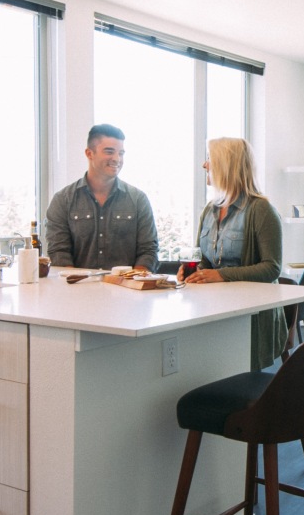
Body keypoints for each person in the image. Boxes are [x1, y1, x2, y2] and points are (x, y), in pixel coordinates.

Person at [181, 137, 288, 371]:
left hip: (252, 315)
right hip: (214, 308)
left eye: (210, 159)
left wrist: (222, 275)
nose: (204, 165)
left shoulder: (261, 210)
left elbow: (272, 267)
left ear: (227, 165)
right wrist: (195, 270)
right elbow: (206, 260)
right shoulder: (209, 211)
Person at [44, 124, 159, 271]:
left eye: (121, 153)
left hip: (127, 291)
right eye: (109, 152)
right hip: (77, 290)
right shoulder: (63, 200)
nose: (117, 159)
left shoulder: (138, 200)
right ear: (89, 153)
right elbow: (59, 251)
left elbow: (148, 250)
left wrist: (134, 283)